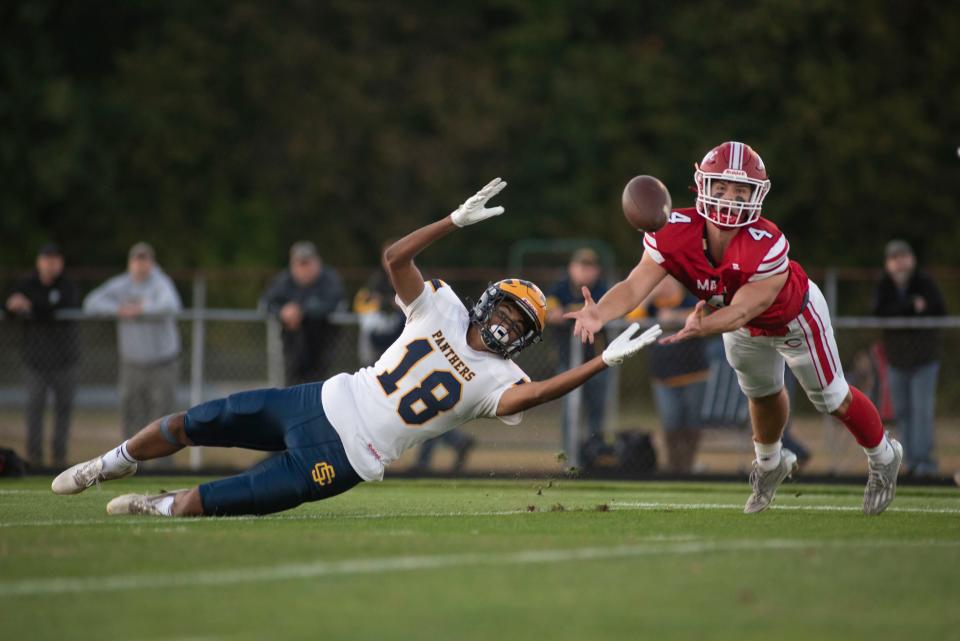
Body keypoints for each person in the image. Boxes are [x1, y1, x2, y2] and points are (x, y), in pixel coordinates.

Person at [51, 178, 662, 517]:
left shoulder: (499, 382)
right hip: (317, 401)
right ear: (484, 302)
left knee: (202, 505)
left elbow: (539, 392)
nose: (504, 323)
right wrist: (452, 218)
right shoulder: (440, 305)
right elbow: (396, 257)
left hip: (348, 459)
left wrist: (596, 363)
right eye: (503, 307)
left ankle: (151, 506)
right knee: (192, 421)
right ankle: (109, 464)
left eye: (517, 321)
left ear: (528, 337)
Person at [566, 142, 903, 515]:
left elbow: (743, 310)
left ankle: (884, 455)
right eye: (722, 188)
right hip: (735, 322)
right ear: (703, 187)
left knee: (831, 398)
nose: (730, 198)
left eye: (741, 191)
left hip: (794, 317)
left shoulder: (766, 242)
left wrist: (703, 324)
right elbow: (634, 284)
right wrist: (600, 314)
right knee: (761, 394)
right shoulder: (674, 231)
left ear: (757, 195)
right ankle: (772, 464)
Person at [354, 246, 475, 474]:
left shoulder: (418, 284)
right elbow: (369, 320)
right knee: (417, 408)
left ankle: (425, 458)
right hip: (393, 357)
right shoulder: (375, 286)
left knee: (420, 407)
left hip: (409, 359)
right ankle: (453, 443)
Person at [83, 242, 182, 440]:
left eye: (145, 260)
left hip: (162, 363)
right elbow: (91, 303)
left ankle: (162, 467)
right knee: (130, 414)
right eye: (137, 260)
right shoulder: (121, 285)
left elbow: (171, 305)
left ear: (152, 263)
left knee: (164, 417)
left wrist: (141, 310)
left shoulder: (161, 282)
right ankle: (131, 464)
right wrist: (118, 309)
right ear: (130, 263)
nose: (140, 265)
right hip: (132, 364)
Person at [873, 239, 945, 477]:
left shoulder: (923, 282)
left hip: (924, 359)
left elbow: (938, 308)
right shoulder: (885, 285)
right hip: (897, 360)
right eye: (895, 258)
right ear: (888, 264)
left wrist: (910, 308)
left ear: (911, 259)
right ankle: (910, 460)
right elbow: (881, 311)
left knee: (922, 409)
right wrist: (909, 307)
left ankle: (923, 461)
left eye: (903, 257)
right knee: (902, 410)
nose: (900, 263)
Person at [4, 243, 80, 467]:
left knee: (63, 411)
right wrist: (14, 307)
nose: (50, 264)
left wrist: (31, 306)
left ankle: (59, 457)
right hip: (35, 361)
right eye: (47, 259)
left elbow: (60, 307)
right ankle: (34, 458)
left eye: (55, 259)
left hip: (64, 361)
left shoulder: (67, 285)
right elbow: (11, 306)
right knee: (34, 410)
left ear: (61, 262)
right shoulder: (27, 284)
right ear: (39, 262)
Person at [632, 276, 709, 473]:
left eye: (669, 280)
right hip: (662, 377)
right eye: (659, 281)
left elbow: (705, 315)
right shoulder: (652, 306)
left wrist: (675, 316)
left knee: (692, 423)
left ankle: (688, 465)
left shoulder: (689, 300)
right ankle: (674, 467)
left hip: (693, 374)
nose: (664, 284)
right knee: (670, 423)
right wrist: (648, 294)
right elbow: (632, 319)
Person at [545, 248, 610, 462]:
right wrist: (571, 311)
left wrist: (570, 311)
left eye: (590, 267)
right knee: (569, 414)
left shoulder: (602, 290)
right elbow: (550, 310)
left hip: (596, 363)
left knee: (596, 414)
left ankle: (593, 456)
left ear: (597, 270)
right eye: (581, 266)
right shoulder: (560, 288)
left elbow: (606, 311)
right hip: (567, 364)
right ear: (572, 268)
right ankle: (569, 458)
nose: (585, 272)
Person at [261, 241, 344, 386]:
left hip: (322, 345)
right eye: (300, 264)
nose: (305, 269)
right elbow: (265, 304)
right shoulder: (284, 281)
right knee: (293, 386)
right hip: (293, 348)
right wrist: (283, 312)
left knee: (320, 387)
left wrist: (300, 311)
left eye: (308, 263)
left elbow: (336, 303)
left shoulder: (329, 279)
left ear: (318, 262)